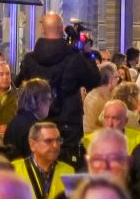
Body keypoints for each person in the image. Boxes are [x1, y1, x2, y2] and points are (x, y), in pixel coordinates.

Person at [16, 13, 94, 149]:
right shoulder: (75, 58)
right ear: (62, 28)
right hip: (69, 124)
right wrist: (85, 53)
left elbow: (19, 85)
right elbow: (94, 80)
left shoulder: (29, 60)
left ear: (42, 30)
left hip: (38, 122)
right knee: (67, 167)